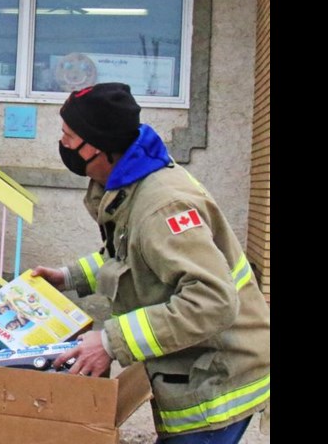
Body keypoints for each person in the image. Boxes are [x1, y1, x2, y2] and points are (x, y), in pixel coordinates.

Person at [32, 83, 269, 443]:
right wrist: (68, 277)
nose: (62, 145)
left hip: (217, 379)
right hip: (195, 368)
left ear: (96, 144)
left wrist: (110, 342)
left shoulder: (161, 207)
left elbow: (212, 301)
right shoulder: (132, 181)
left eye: (68, 136)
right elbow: (132, 256)